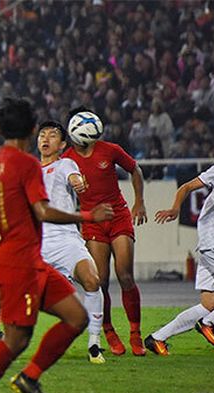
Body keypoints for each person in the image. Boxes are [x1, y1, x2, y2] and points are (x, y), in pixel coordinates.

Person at [0, 98, 114, 393]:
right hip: (21, 263)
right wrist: (88, 216)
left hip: (31, 259)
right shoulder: (26, 165)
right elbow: (43, 210)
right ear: (30, 130)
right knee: (16, 340)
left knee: (76, 317)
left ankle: (29, 377)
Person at [146, 119, 214, 354]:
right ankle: (210, 323)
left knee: (209, 303)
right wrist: (174, 208)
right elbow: (185, 187)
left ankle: (157, 338)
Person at [63, 107, 148, 356]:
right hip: (92, 223)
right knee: (99, 281)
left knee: (125, 275)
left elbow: (135, 169)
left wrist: (139, 202)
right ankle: (109, 331)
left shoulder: (109, 150)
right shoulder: (67, 160)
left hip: (118, 215)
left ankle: (135, 333)